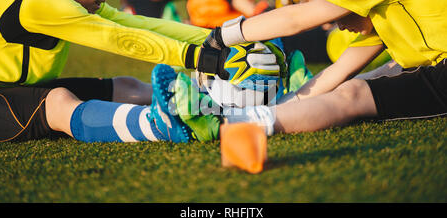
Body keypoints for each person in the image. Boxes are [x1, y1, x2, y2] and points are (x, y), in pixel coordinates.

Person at [0, 0, 280, 142]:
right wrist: (198, 57)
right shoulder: (43, 5)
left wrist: (218, 39)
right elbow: (118, 39)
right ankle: (159, 127)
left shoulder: (76, 1)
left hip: (13, 87)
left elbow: (139, 25)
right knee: (57, 103)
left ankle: (227, 104)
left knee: (128, 87)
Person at [163, 0, 447, 141]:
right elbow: (337, 72)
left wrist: (221, 36)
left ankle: (226, 127)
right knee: (366, 78)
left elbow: (295, 18)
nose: (332, 24)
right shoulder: (383, 21)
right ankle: (232, 117)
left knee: (355, 92)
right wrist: (287, 103)